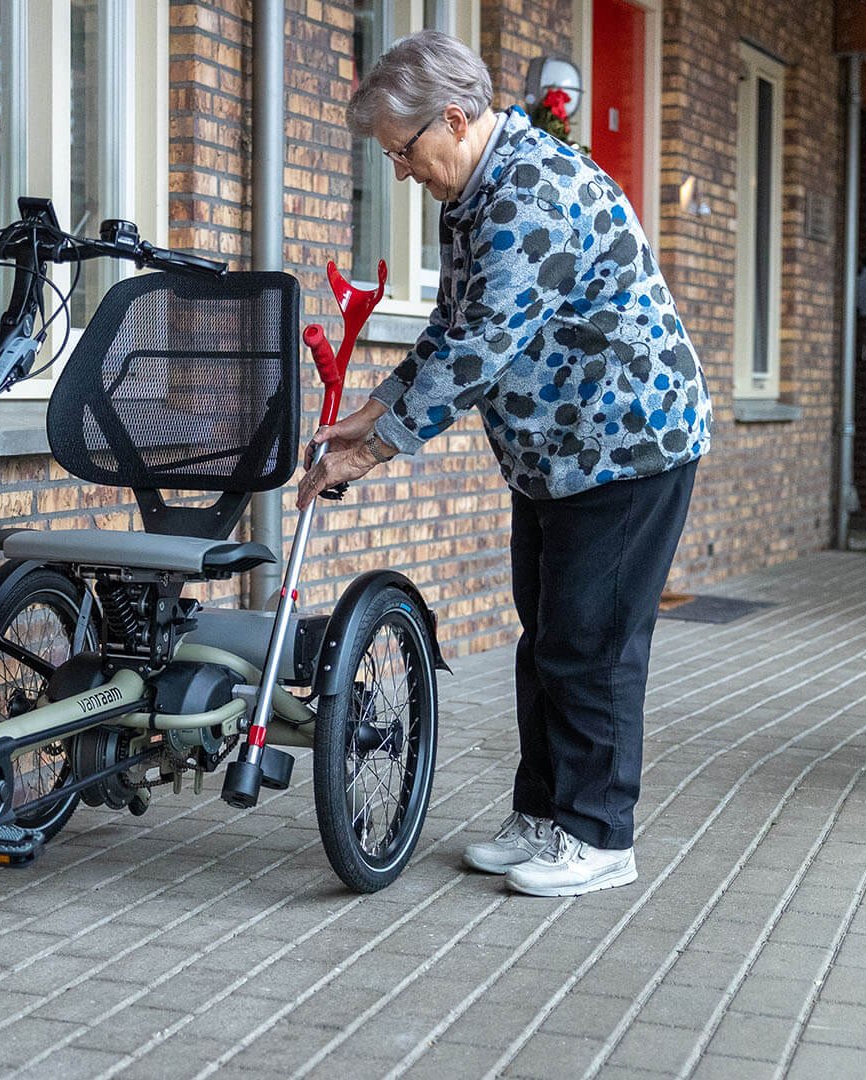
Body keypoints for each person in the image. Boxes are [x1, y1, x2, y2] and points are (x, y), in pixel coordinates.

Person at [300, 30, 711, 897]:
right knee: (547, 639)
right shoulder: (476, 193)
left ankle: (599, 836)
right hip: (556, 456)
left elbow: (480, 350)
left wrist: (368, 457)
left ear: (454, 117)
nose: (402, 172)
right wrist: (368, 410)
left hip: (626, 447)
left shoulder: (531, 193)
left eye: (404, 151)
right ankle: (544, 815)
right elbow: (451, 326)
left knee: (592, 646)